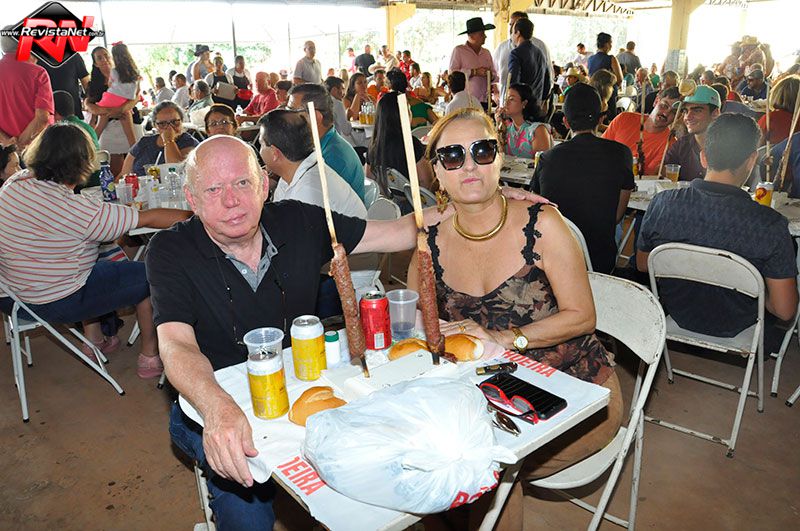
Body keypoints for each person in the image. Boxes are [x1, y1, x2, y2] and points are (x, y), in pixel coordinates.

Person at [145, 134, 466, 530]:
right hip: (209, 401)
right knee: (244, 501)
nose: (231, 201)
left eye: (243, 183)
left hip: (300, 386)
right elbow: (176, 344)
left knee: (385, 451)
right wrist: (217, 409)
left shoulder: (298, 221)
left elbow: (398, 232)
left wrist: (480, 202)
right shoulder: (170, 251)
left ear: (264, 186)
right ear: (191, 200)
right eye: (213, 189)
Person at [407, 108, 619, 530]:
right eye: (453, 156)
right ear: (437, 173)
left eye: (482, 151)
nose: (470, 165)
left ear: (499, 158)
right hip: (484, 396)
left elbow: (583, 316)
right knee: (430, 454)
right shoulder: (428, 240)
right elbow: (414, 315)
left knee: (491, 469)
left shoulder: (542, 224)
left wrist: (505, 338)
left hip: (577, 391)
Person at [0, 123, 190, 377]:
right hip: (55, 301)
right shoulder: (78, 211)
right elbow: (148, 218)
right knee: (150, 275)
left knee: (96, 262)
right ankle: (150, 356)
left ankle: (96, 339)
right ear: (82, 162)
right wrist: (197, 215)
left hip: (12, 296)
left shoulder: (14, 183)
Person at [637, 113, 797, 349]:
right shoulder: (770, 224)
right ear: (752, 160)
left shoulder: (662, 204)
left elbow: (643, 264)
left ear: (703, 157)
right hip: (738, 325)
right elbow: (785, 310)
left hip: (678, 314)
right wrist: (756, 287)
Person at [531, 83, 633, 274]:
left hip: (555, 259)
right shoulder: (622, 154)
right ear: (601, 119)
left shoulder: (547, 158)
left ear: (565, 122)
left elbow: (538, 208)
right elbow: (617, 216)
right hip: (600, 261)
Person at [259, 109, 365, 219]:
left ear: (275, 153)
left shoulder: (308, 192)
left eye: (261, 144)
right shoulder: (291, 174)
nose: (260, 151)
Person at [288, 84, 365, 202]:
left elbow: (313, 203)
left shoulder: (333, 156)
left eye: (292, 111)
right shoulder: (321, 144)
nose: (286, 118)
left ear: (314, 116)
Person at [366, 91, 435, 194]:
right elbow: (427, 182)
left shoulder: (374, 146)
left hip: (387, 201)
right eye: (409, 109)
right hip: (412, 201)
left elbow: (370, 181)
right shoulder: (411, 145)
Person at [602, 86, 680, 175]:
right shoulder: (624, 119)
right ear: (656, 101)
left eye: (674, 112)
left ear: (678, 116)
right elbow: (600, 150)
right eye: (664, 106)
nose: (665, 113)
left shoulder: (670, 144)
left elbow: (647, 176)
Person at [0, 30, 53, 150]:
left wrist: (7, 143)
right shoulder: (38, 73)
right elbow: (42, 117)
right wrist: (20, 144)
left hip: (5, 150)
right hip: (37, 146)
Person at [119, 101, 199, 177]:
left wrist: (168, 140)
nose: (169, 127)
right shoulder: (144, 143)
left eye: (175, 122)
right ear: (154, 125)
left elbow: (178, 170)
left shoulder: (189, 142)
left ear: (181, 121)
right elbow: (124, 174)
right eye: (162, 124)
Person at [663, 86, 721, 181]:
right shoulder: (681, 145)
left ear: (715, 113)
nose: (688, 117)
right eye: (685, 111)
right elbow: (663, 175)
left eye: (697, 110)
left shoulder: (730, 146)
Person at [93, 43, 140, 148]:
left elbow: (111, 84)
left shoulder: (114, 72)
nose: (104, 59)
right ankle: (135, 149)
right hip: (123, 103)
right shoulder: (135, 72)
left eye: (106, 56)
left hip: (109, 100)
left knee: (100, 126)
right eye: (100, 58)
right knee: (130, 134)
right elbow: (136, 93)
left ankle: (89, 146)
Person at [449, 17, 497, 110]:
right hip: (465, 101)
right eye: (482, 34)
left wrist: (490, 75)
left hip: (484, 100)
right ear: (471, 36)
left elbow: (494, 74)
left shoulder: (486, 53)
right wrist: (474, 72)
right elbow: (453, 74)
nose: (485, 36)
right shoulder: (459, 51)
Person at [495, 83, 551, 158]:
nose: (506, 103)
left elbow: (541, 161)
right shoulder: (507, 128)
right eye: (505, 99)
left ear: (524, 103)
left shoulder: (537, 130)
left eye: (511, 99)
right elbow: (500, 156)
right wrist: (499, 124)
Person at [508, 18, 551, 106]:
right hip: (536, 104)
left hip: (522, 105)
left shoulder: (516, 53)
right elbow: (547, 82)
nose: (512, 36)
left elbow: (513, 82)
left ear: (518, 33)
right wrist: (541, 100)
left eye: (513, 32)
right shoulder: (540, 53)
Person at [40, 52, 89, 119]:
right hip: (48, 112)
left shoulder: (73, 56)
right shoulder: (37, 57)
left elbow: (85, 82)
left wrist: (88, 101)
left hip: (73, 111)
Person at [323, 76, 353, 141]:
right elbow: (346, 130)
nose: (344, 93)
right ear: (334, 90)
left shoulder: (321, 101)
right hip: (333, 141)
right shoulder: (337, 104)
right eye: (342, 89)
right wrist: (348, 117)